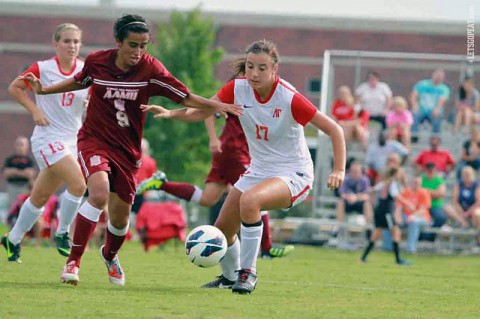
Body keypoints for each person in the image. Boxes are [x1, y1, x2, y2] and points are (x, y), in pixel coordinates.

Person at [21, 14, 241, 286]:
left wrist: (215, 104)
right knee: (98, 193)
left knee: (120, 216)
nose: (138, 51)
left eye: (143, 45)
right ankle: (73, 261)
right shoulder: (98, 61)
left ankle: (110, 255)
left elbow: (185, 97)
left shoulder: (151, 69)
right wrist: (44, 91)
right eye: (133, 45)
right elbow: (81, 81)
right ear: (118, 42)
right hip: (94, 140)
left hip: (128, 151)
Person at [141, 39, 346, 294]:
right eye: (250, 66)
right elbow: (202, 111)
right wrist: (171, 113)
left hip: (294, 173)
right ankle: (229, 278)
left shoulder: (288, 97)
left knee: (250, 202)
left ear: (274, 70)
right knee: (222, 231)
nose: (254, 73)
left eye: (262, 68)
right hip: (259, 169)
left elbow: (334, 129)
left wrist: (339, 170)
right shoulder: (237, 89)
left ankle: (248, 273)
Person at [137, 112, 294, 258]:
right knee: (257, 195)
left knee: (208, 198)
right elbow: (210, 110)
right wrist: (213, 138)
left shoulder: (256, 95)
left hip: (226, 152)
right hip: (234, 152)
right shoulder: (239, 91)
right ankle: (266, 248)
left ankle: (162, 184)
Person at [2, 24, 88, 263]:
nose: (72, 46)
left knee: (39, 197)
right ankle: (62, 233)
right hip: (48, 138)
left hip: (72, 140)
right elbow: (15, 87)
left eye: (76, 42)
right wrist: (34, 110)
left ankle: (13, 239)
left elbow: (90, 97)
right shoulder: (43, 68)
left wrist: (91, 104)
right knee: (78, 185)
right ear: (56, 44)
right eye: (67, 41)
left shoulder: (85, 69)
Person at [360, 167, 411, 265]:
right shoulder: (393, 183)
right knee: (395, 232)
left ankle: (363, 258)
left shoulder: (384, 182)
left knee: (377, 233)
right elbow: (396, 196)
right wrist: (408, 204)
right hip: (387, 212)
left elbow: (373, 189)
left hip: (380, 210)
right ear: (396, 174)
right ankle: (398, 259)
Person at [396, 175, 431, 253]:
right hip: (406, 216)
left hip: (422, 218)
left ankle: (410, 248)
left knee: (414, 222)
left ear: (421, 183)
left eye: (418, 183)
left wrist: (413, 216)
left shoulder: (424, 192)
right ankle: (389, 247)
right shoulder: (406, 191)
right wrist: (397, 216)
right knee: (392, 221)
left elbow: (423, 210)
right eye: (415, 182)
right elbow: (399, 206)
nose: (416, 184)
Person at [410, 69, 450, 139]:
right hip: (421, 109)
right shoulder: (422, 84)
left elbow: (442, 100)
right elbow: (414, 95)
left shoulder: (444, 88)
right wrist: (414, 105)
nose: (438, 77)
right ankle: (414, 137)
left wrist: (437, 109)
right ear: (433, 75)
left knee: (437, 119)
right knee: (414, 116)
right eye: (437, 75)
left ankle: (435, 139)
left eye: (440, 76)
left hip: (434, 111)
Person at [1, 136, 36, 212]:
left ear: (27, 146)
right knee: (12, 209)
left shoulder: (30, 160)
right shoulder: (10, 159)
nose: (20, 147)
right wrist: (23, 173)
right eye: (18, 144)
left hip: (25, 187)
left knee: (23, 209)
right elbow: (6, 173)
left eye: (22, 144)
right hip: (12, 187)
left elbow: (30, 174)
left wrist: (14, 171)